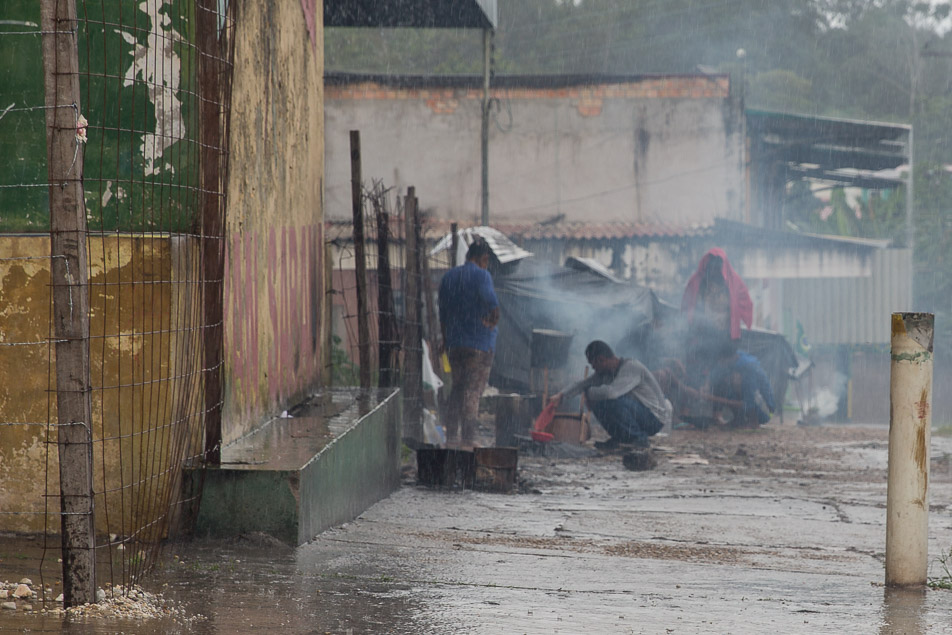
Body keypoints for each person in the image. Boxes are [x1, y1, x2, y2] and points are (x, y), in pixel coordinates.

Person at [549, 341, 672, 450]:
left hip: (654, 419)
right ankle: (620, 438)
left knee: (612, 401)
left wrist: (589, 393)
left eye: (594, 364)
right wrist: (561, 395)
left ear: (601, 359)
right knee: (600, 404)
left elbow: (611, 393)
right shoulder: (605, 373)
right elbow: (582, 384)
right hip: (640, 414)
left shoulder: (631, 367)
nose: (593, 368)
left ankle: (639, 439)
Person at [438, 238, 500, 449]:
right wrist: (492, 321)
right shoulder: (482, 275)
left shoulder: (448, 277)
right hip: (478, 344)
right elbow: (493, 304)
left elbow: (443, 315)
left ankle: (451, 438)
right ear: (483, 258)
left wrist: (446, 340)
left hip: (455, 344)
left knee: (457, 388)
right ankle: (468, 438)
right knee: (472, 391)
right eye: (487, 261)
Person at [681, 248, 752, 341]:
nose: (714, 270)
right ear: (707, 266)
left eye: (717, 267)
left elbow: (746, 304)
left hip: (725, 336)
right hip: (702, 335)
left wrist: (747, 323)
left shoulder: (734, 282)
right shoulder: (697, 281)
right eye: (712, 267)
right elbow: (687, 304)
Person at [708, 341, 776, 427]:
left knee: (741, 383)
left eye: (722, 360)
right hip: (750, 399)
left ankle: (753, 421)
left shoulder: (747, 366)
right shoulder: (733, 360)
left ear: (730, 357)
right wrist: (707, 385)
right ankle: (739, 419)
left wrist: (727, 401)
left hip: (764, 409)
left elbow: (750, 393)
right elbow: (715, 375)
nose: (720, 362)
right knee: (726, 384)